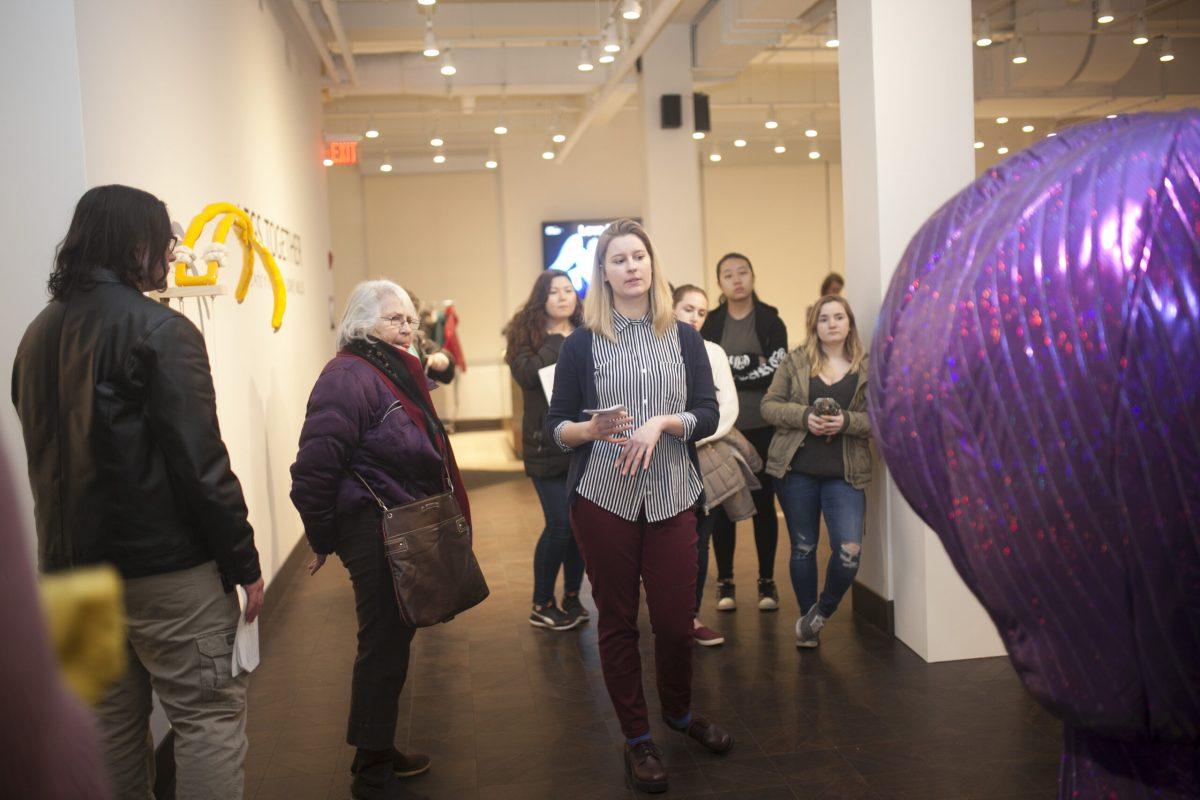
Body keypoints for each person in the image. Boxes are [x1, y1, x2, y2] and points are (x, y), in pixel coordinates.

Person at [11, 184, 264, 798]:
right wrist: (245, 563)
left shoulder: (35, 337)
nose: (172, 254)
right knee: (207, 718)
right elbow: (202, 464)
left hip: (70, 576)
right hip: (166, 572)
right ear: (136, 243)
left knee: (106, 732)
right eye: (166, 240)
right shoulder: (162, 330)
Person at [547, 219, 734, 794]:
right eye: (619, 259)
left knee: (677, 624)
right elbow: (553, 429)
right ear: (602, 273)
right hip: (603, 499)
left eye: (639, 256)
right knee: (619, 621)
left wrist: (663, 422)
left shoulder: (683, 337)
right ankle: (637, 738)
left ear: (653, 264)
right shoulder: (581, 344)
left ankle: (678, 714)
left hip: (674, 495)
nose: (632, 267)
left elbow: (707, 411)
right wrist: (588, 428)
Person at [291, 280, 472, 800]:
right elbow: (313, 470)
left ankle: (377, 747)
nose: (409, 327)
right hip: (374, 529)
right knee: (382, 647)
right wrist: (324, 537)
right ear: (361, 324)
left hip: (395, 524)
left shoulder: (389, 370)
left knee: (392, 643)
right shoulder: (348, 376)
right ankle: (370, 772)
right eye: (395, 319)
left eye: (410, 318)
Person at [761, 295, 872, 649]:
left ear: (849, 323)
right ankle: (807, 622)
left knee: (849, 552)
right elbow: (769, 406)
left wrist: (846, 422)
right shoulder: (795, 361)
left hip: (846, 473)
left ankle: (820, 612)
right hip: (797, 470)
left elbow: (881, 419)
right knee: (804, 547)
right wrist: (805, 417)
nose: (832, 324)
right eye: (824, 319)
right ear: (815, 326)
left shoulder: (867, 367)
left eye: (839, 317)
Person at [700, 253, 788, 612]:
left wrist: (733, 371)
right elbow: (706, 374)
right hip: (722, 429)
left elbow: (777, 372)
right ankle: (726, 581)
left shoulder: (771, 319)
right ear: (719, 283)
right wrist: (754, 362)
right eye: (727, 274)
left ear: (753, 276)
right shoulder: (711, 323)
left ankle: (767, 582)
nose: (736, 279)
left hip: (763, 426)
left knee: (765, 504)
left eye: (742, 272)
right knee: (722, 504)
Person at [503, 269, 589, 630]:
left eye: (568, 290)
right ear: (541, 299)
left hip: (583, 441)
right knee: (558, 526)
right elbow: (527, 375)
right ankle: (541, 603)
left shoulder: (589, 332)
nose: (563, 296)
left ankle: (572, 597)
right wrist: (557, 340)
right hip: (544, 445)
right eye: (554, 292)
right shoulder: (526, 336)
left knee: (579, 527)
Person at [671, 285, 738, 648]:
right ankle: (665, 615)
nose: (694, 317)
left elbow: (727, 407)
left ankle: (691, 617)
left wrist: (690, 435)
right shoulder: (657, 349)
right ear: (672, 308)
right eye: (688, 309)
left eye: (701, 311)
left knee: (699, 541)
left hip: (702, 456)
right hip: (661, 459)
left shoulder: (714, 352)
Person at [404, 292, 456, 384]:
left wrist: (443, 359)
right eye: (396, 318)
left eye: (411, 320)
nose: (407, 328)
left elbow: (447, 373)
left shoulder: (417, 340)